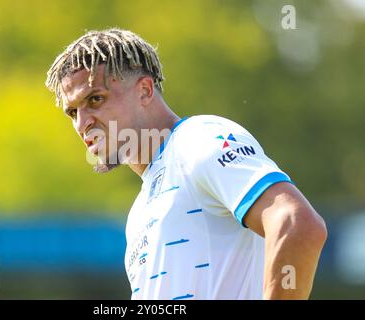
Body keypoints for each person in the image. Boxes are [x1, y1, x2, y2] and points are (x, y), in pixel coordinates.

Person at [45, 28, 327, 300]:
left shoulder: (199, 139)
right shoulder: (140, 210)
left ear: (144, 90)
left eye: (95, 99)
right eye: (72, 112)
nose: (82, 124)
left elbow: (297, 223)